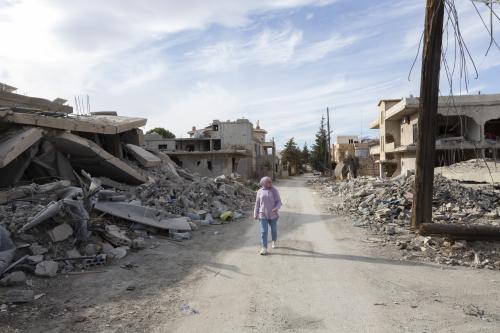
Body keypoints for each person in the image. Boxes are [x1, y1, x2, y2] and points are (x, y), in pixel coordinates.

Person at [254, 176, 282, 255]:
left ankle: (274, 240)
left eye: (270, 182)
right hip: (262, 214)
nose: (270, 183)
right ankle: (264, 248)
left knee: (273, 230)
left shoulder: (274, 190)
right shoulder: (260, 191)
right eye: (268, 182)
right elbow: (257, 203)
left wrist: (276, 208)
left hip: (273, 214)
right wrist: (255, 213)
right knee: (264, 231)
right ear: (263, 183)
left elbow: (279, 201)